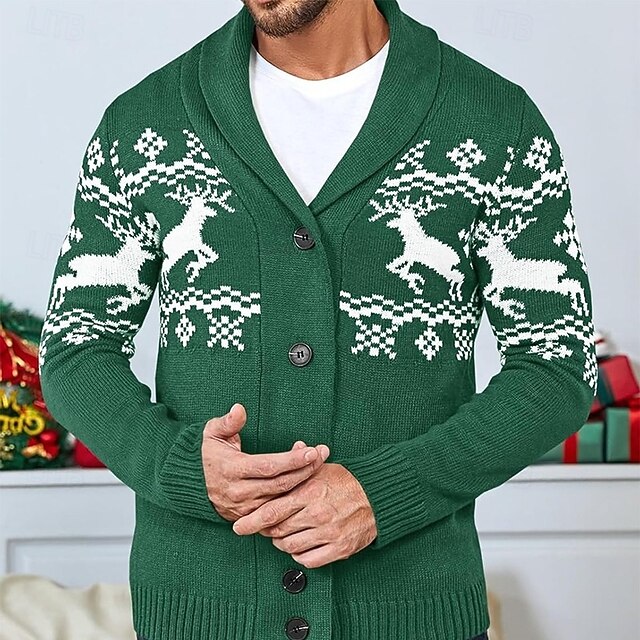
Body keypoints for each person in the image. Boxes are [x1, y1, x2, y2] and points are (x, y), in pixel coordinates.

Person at [38, 1, 597, 639]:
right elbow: (76, 351)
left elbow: (556, 368)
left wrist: (385, 493)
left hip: (411, 615)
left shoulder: (494, 122)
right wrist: (180, 467)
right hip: (203, 615)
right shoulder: (146, 124)